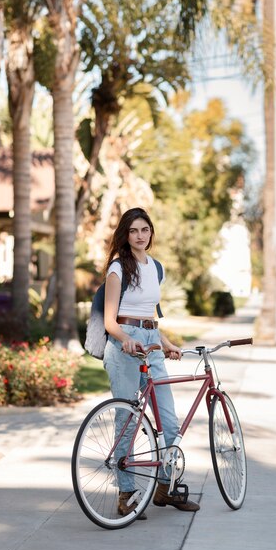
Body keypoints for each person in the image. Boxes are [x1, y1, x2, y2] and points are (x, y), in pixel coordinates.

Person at [103, 207, 200, 519]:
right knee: (128, 419)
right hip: (124, 344)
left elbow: (152, 316)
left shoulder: (156, 268)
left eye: (145, 230)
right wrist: (124, 339)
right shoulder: (118, 268)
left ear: (151, 233)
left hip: (152, 341)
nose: (140, 236)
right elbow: (109, 321)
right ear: (125, 235)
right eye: (134, 231)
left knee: (169, 421)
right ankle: (126, 493)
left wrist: (167, 343)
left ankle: (165, 488)